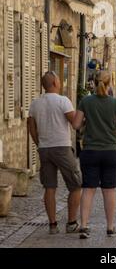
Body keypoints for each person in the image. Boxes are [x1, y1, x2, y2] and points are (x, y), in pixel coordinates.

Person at [72, 70, 116, 239]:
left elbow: (75, 125)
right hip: (111, 151)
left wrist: (88, 121)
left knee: (88, 189)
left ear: (93, 83)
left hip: (90, 151)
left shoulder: (86, 102)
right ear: (109, 83)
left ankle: (84, 225)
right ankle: (110, 227)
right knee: (109, 190)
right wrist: (112, 125)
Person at [28, 71, 82, 235]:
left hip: (44, 149)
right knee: (76, 184)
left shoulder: (35, 103)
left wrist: (39, 143)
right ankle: (71, 223)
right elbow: (75, 123)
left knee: (49, 187)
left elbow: (31, 127)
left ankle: (53, 225)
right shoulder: (63, 101)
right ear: (55, 83)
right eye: (58, 79)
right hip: (62, 147)